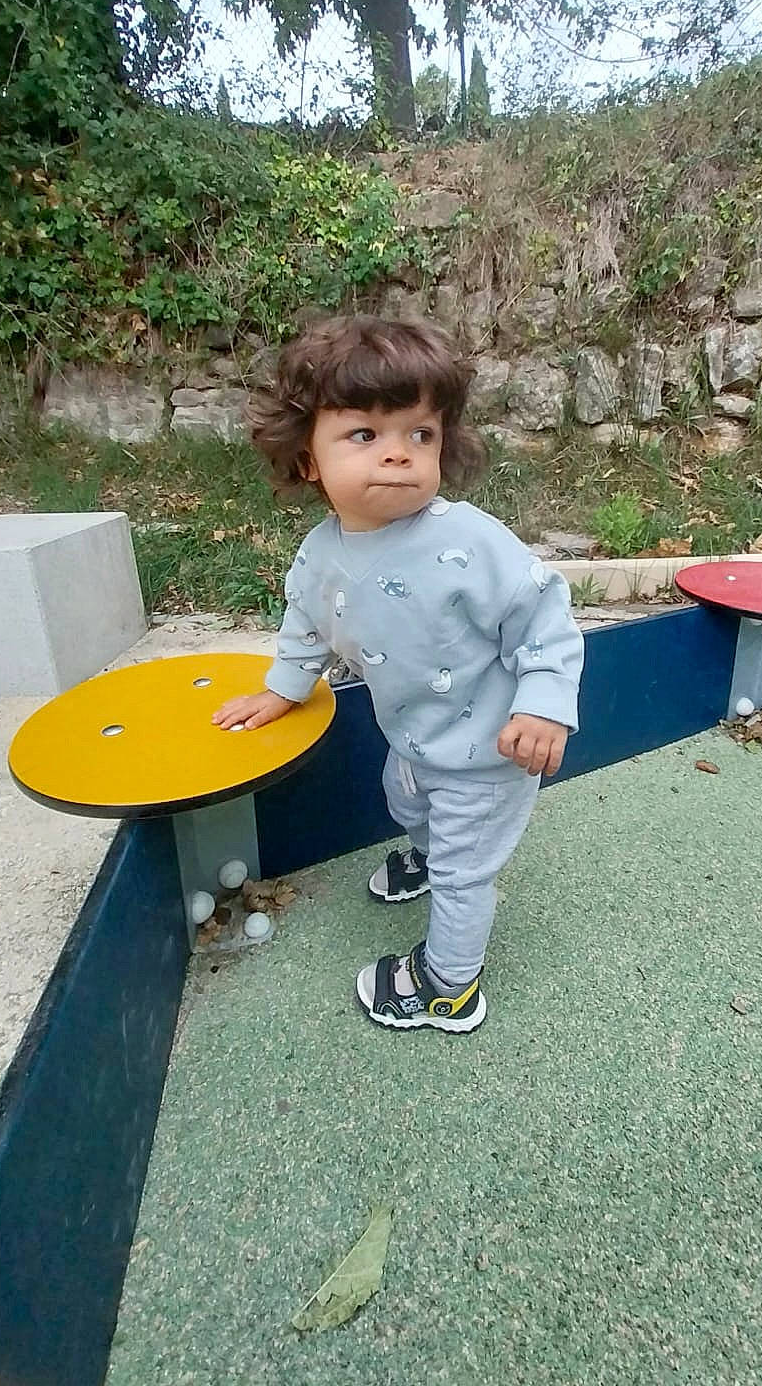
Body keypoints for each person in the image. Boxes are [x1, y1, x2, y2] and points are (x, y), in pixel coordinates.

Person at [212, 315, 584, 1033]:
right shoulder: (320, 555)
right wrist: (280, 690)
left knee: (463, 873)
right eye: (365, 435)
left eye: (421, 435)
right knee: (404, 801)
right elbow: (305, 629)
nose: (398, 455)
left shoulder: (468, 540)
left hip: (490, 753)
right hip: (413, 742)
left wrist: (542, 705)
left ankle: (448, 984)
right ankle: (427, 849)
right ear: (307, 459)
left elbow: (545, 615)